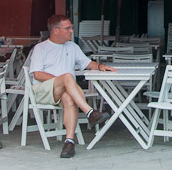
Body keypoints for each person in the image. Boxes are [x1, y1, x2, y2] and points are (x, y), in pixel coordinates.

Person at [29, 15, 114, 158]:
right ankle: (90, 112)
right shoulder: (41, 48)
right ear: (56, 30)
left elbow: (87, 64)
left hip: (64, 92)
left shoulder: (73, 47)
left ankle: (69, 143)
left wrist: (100, 66)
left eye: (71, 28)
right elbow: (37, 74)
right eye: (68, 28)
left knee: (69, 97)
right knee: (68, 77)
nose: (71, 31)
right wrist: (62, 81)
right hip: (43, 90)